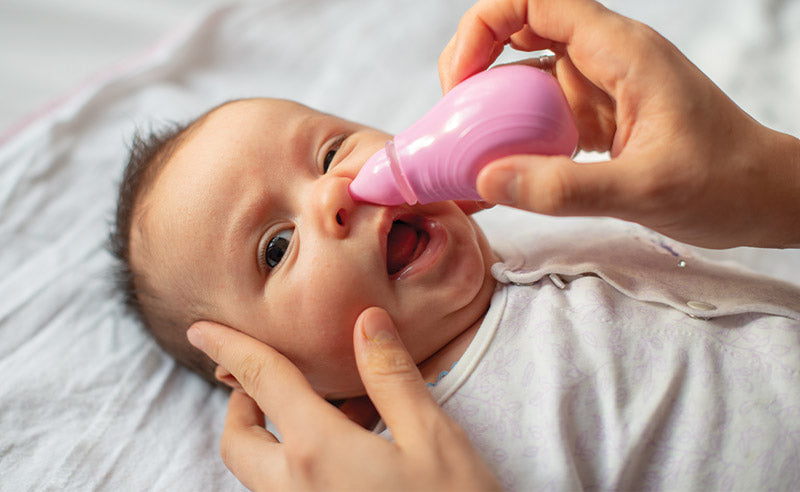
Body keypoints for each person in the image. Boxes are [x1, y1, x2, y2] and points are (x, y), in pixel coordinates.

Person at [112, 0, 800, 490]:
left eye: (328, 153)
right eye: (275, 247)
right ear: (263, 370)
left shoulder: (544, 207)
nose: (335, 193)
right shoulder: (420, 459)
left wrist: (770, 179)